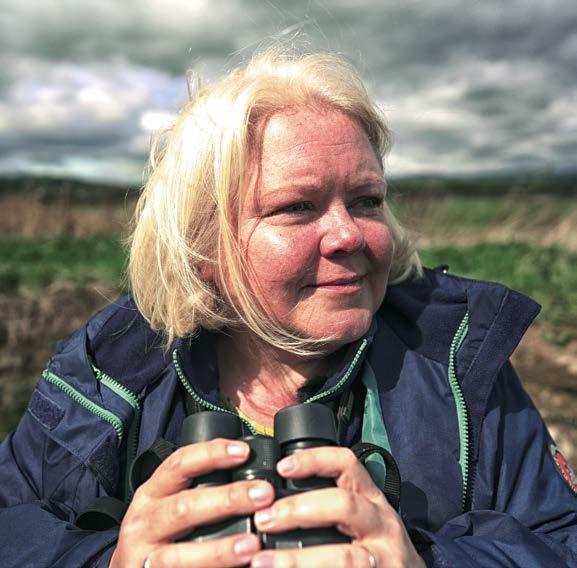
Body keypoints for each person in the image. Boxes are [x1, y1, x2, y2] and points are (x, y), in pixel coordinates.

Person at [0, 48, 576, 568]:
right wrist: (112, 559)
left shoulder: (458, 365)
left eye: (366, 200)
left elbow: (561, 538)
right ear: (203, 248)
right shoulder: (106, 375)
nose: (348, 234)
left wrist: (425, 560)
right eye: (298, 207)